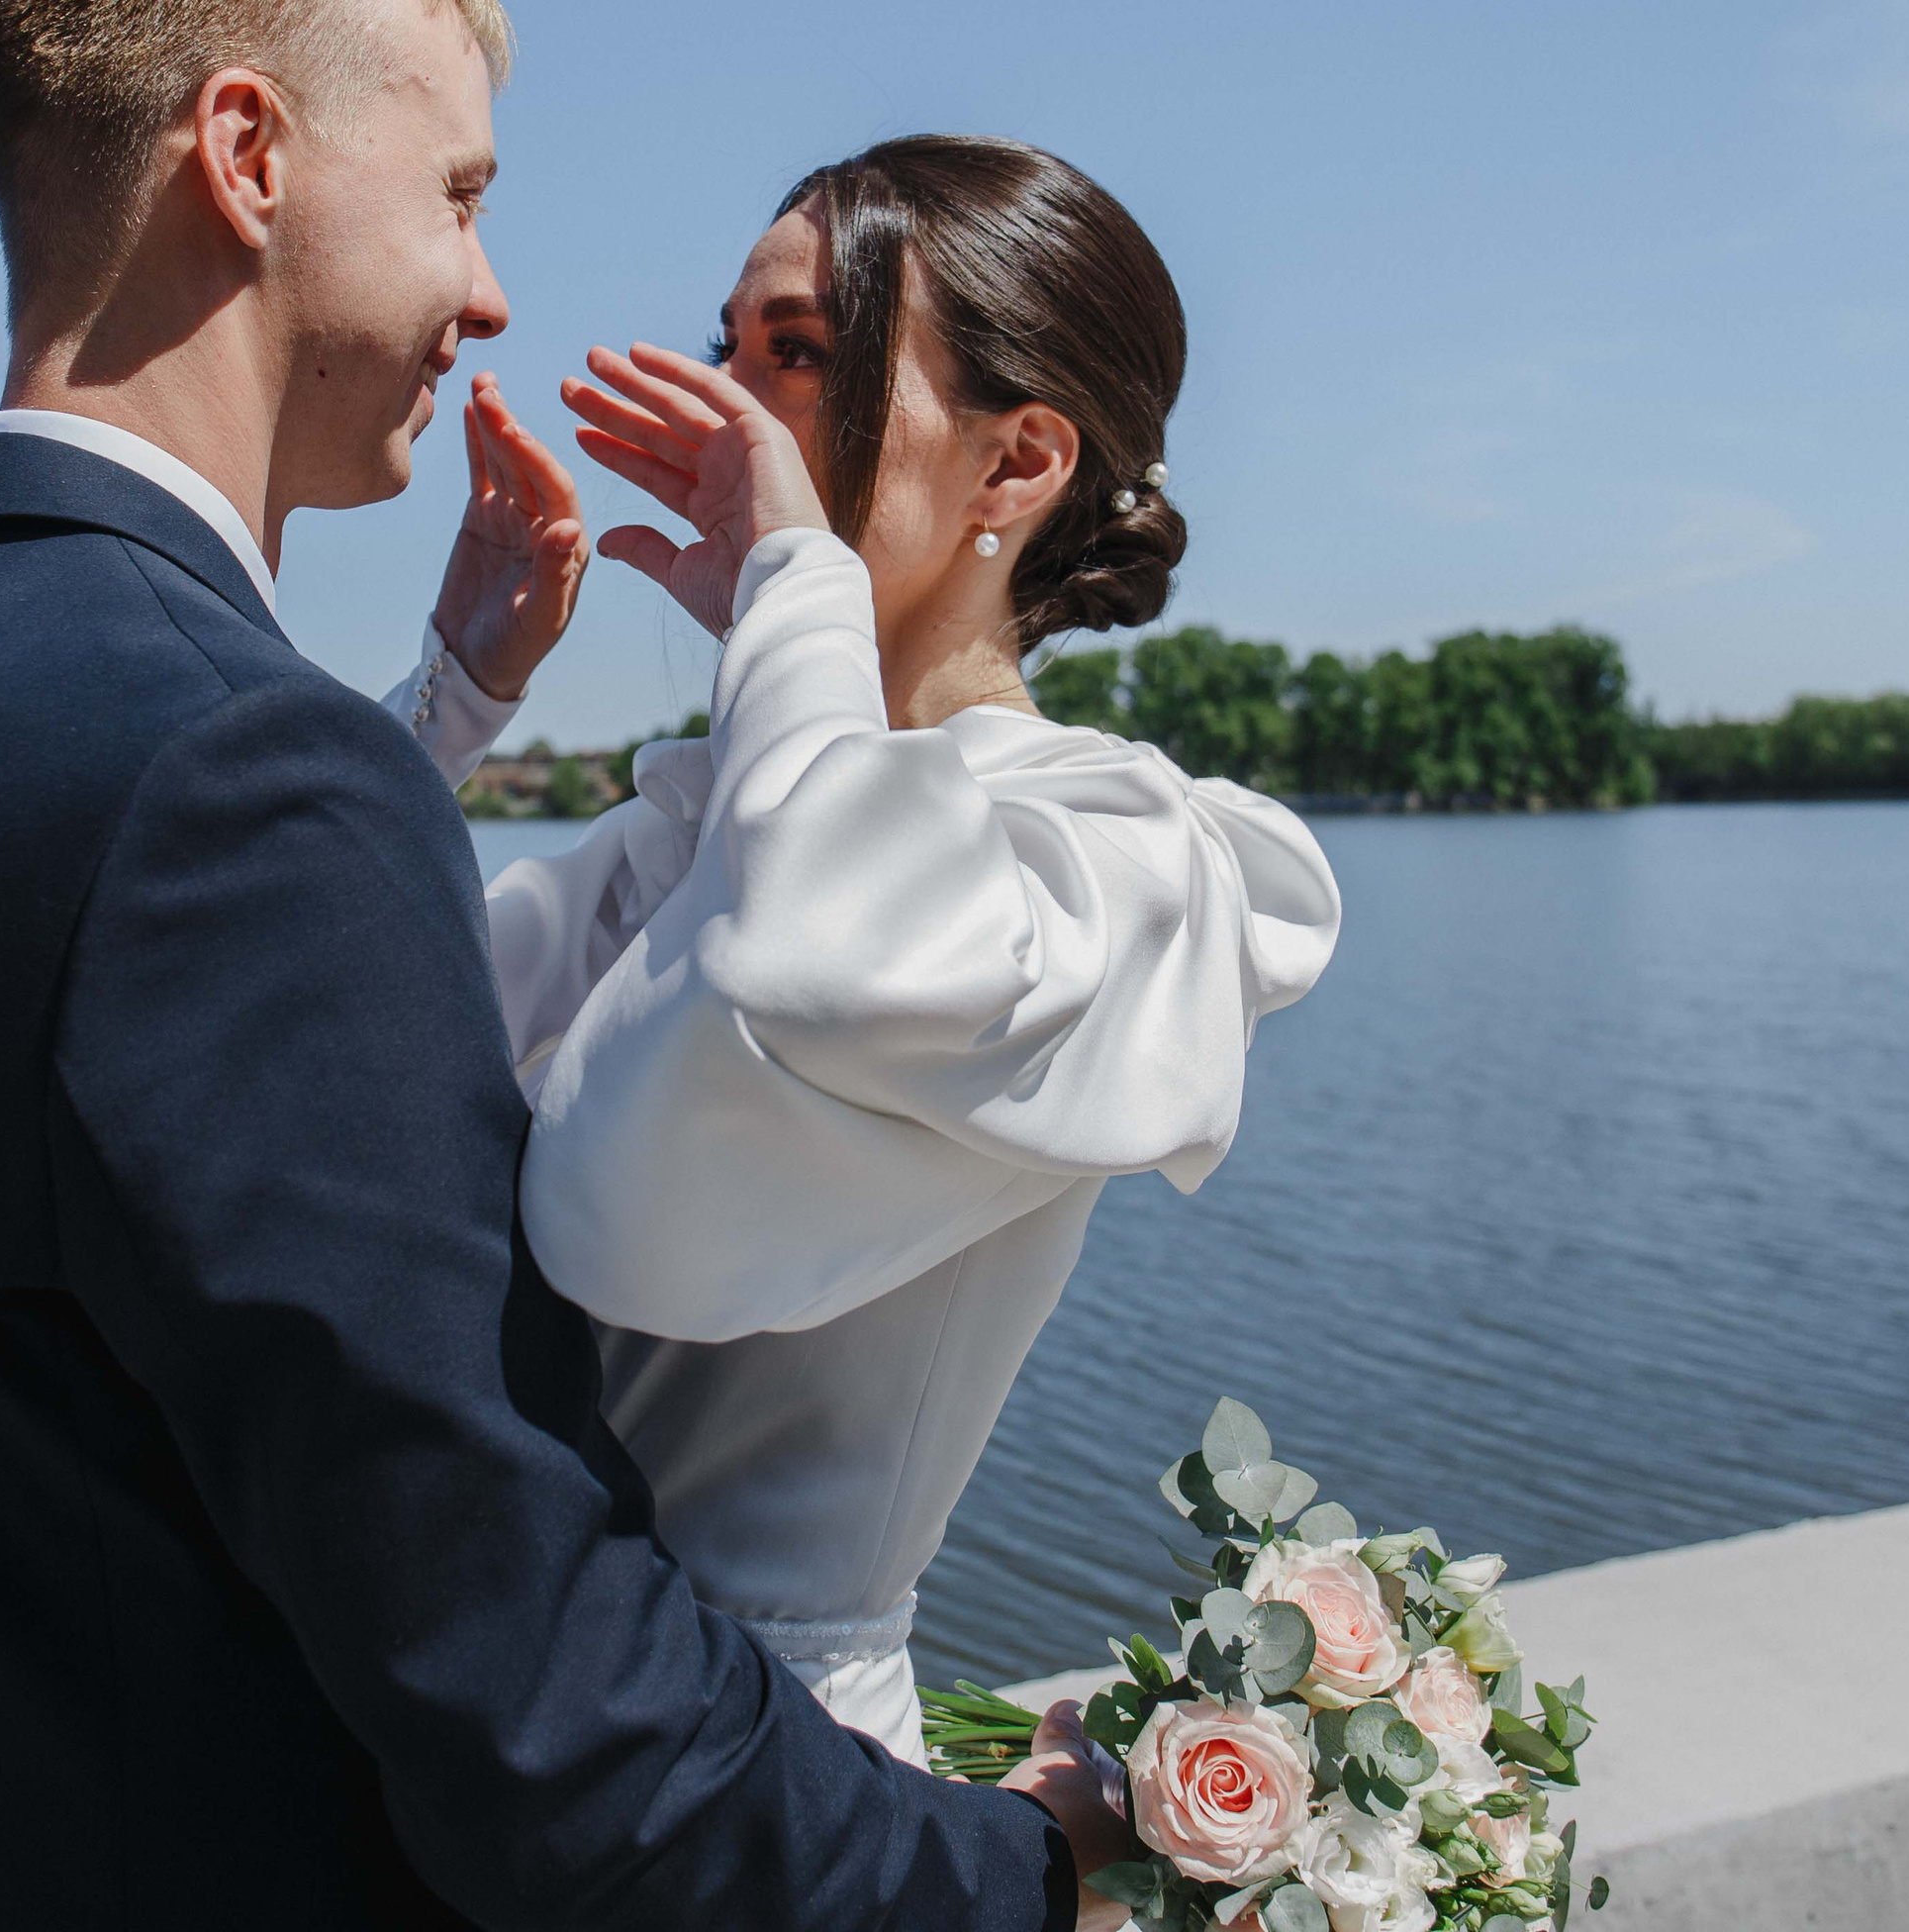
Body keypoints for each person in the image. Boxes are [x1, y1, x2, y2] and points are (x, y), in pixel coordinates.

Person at [0, 0, 1118, 1930]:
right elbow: (547, 1711)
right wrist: (1010, 1862)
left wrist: (437, 702)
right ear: (246, 157)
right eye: (457, 190)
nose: (490, 288)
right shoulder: (240, 779)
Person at [389, 138, 1342, 1762]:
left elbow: (781, 989)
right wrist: (452, 701)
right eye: (730, 347)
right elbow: (341, 1049)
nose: (730, 411)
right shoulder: (720, 823)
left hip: (767, 1782)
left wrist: (792, 586)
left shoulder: (1119, 867)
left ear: (1016, 463)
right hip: (500, 1724)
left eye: (802, 353)